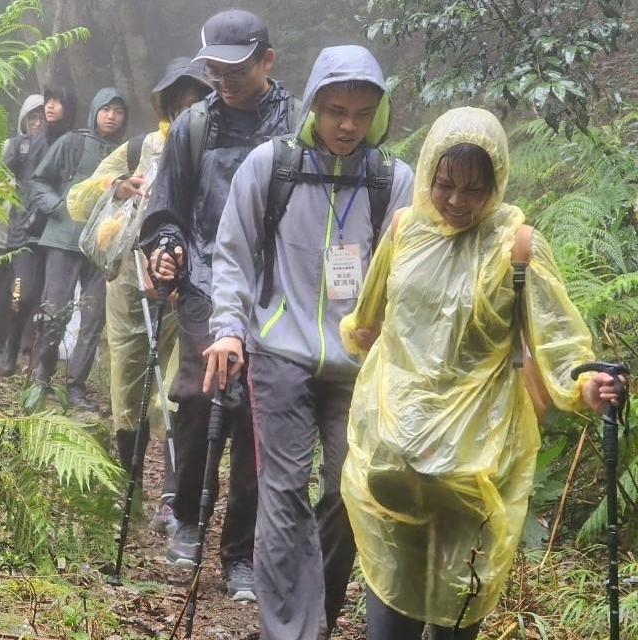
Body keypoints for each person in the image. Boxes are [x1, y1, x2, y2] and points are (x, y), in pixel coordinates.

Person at [338, 106, 618, 639]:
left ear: (497, 182)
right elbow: (367, 321)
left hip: (479, 457)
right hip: (395, 446)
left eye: (473, 189)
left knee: (461, 595)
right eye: (444, 185)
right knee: (391, 587)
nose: (456, 201)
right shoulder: (405, 231)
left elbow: (559, 343)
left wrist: (586, 385)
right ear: (427, 177)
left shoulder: (518, 248)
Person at [201, 45, 414, 640]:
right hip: (279, 353)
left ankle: (315, 611)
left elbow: (413, 276)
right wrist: (228, 331)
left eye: (362, 112)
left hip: (358, 364)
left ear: (380, 112)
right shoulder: (272, 167)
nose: (348, 125)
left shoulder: (392, 181)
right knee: (283, 490)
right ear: (314, 105)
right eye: (335, 110)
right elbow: (233, 256)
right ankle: (287, 630)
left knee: (352, 487)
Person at [140, 8, 299, 601]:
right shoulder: (193, 127)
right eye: (214, 70)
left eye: (235, 69)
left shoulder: (298, 127)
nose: (223, 81)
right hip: (207, 282)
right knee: (199, 399)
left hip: (280, 292)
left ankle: (241, 553)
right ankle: (185, 517)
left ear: (267, 61)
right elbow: (167, 208)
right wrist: (167, 249)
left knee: (260, 418)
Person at [66, 57, 212, 535]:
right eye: (181, 102)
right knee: (127, 386)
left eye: (198, 102)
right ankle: (128, 486)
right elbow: (77, 200)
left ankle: (173, 497)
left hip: (187, 284)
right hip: (128, 284)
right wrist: (117, 186)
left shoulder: (215, 151)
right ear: (168, 104)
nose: (189, 110)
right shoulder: (138, 148)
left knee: (176, 390)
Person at [28, 87, 129, 410]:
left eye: (118, 111)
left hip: (102, 248)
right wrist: (59, 207)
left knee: (93, 318)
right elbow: (37, 181)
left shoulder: (127, 154)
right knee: (54, 311)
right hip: (62, 240)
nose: (111, 116)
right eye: (106, 109)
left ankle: (76, 387)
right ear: (95, 111)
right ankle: (40, 379)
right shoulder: (72, 142)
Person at [0, 93, 45, 375]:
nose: (37, 122)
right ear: (23, 118)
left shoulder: (48, 149)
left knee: (23, 296)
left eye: (42, 117)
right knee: (1, 295)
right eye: (32, 117)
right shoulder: (9, 146)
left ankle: (21, 350)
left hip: (30, 238)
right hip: (3, 234)